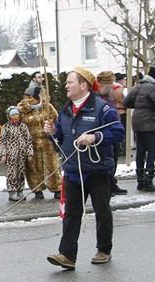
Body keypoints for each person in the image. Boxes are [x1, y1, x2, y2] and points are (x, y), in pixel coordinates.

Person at [45, 67, 126, 270]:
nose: (66, 85)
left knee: (102, 211)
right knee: (71, 213)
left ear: (83, 85)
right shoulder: (64, 111)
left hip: (98, 170)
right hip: (73, 171)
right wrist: (52, 133)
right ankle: (67, 255)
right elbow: (61, 142)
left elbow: (118, 132)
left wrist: (95, 137)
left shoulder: (103, 108)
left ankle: (104, 250)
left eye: (70, 82)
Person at [123, 66, 155, 192]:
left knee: (140, 152)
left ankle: (140, 181)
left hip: (137, 121)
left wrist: (139, 106)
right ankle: (148, 181)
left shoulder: (138, 86)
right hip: (148, 122)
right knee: (152, 152)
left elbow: (126, 102)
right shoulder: (152, 87)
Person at [18, 84, 61, 198]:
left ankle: (57, 188)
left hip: (48, 141)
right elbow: (17, 125)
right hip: (31, 143)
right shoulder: (22, 109)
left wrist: (55, 131)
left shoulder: (47, 107)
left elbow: (57, 120)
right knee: (33, 166)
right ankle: (37, 189)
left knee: (52, 165)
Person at [95, 72, 128, 195]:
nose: (112, 86)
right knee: (106, 159)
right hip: (103, 132)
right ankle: (107, 186)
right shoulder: (95, 97)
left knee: (114, 158)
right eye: (110, 83)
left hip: (113, 130)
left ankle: (112, 183)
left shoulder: (109, 96)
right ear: (103, 84)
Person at [0, 106, 33, 201]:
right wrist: (3, 154)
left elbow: (28, 140)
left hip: (22, 155)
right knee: (11, 173)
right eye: (13, 115)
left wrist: (29, 153)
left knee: (21, 173)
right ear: (9, 117)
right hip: (11, 155)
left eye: (16, 114)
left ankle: (20, 190)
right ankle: (12, 192)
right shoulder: (6, 127)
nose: (15, 116)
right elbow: (2, 141)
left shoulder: (23, 126)